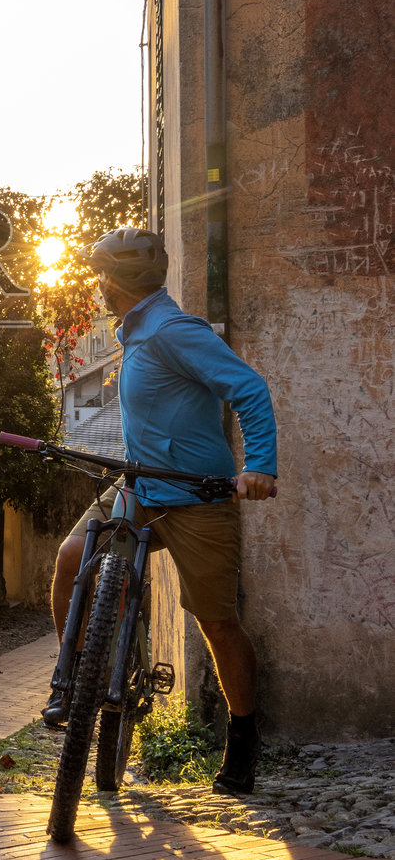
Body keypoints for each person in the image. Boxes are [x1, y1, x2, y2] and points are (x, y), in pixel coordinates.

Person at [48, 227, 277, 795]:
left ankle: (244, 740)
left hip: (197, 497)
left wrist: (260, 466)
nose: (97, 284)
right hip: (139, 487)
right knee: (70, 558)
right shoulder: (136, 333)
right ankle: (77, 682)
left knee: (217, 623)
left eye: (102, 274)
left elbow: (248, 388)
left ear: (119, 281)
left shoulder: (174, 332)